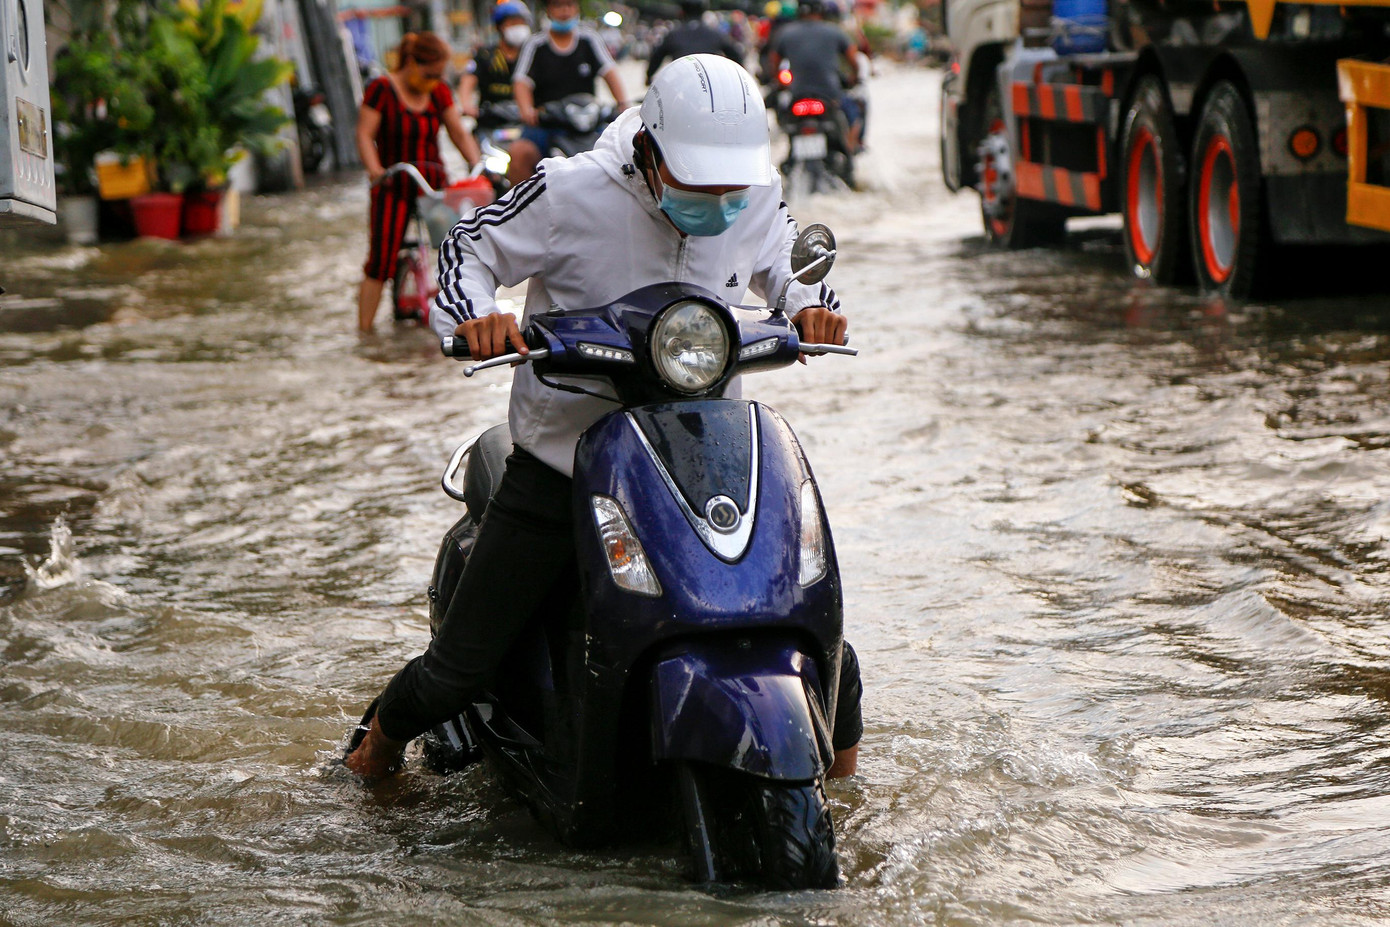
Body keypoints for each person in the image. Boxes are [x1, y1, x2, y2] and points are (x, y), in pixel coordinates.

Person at [344, 54, 861, 782]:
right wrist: (479, 316)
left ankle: (842, 799)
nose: (720, 200)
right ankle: (377, 746)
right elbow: (467, 247)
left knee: (815, 632)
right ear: (649, 152)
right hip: (567, 458)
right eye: (699, 184)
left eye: (731, 188)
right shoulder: (569, 191)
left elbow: (789, 265)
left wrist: (814, 308)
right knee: (460, 668)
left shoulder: (755, 191)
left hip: (705, 453)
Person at [355, 32, 483, 333]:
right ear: (412, 63)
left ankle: (464, 320)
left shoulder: (438, 91)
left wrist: (476, 166)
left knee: (458, 252)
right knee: (380, 262)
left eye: (439, 75)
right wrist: (374, 170)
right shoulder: (381, 89)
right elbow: (364, 134)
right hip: (393, 184)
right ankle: (364, 333)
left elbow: (458, 132)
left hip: (432, 184)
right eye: (429, 74)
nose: (433, 81)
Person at [508, 0, 631, 182]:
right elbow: (521, 81)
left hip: (587, 124)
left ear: (576, 8)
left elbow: (609, 71)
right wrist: (526, 110)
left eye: (569, 5)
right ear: (548, 11)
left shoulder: (589, 39)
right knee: (519, 152)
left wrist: (623, 105)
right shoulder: (535, 44)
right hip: (548, 125)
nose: (564, 10)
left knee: (626, 149)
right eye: (558, 5)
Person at [457, 2, 533, 116]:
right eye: (513, 23)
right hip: (490, 118)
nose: (518, 27)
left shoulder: (531, 54)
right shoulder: (485, 55)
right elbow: (468, 81)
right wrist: (467, 105)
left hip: (524, 118)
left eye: (522, 23)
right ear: (499, 27)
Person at [645, 0, 743, 85]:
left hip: (680, 85)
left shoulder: (673, 35)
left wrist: (649, 76)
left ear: (682, 11)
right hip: (709, 85)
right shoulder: (716, 34)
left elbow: (656, 58)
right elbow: (736, 55)